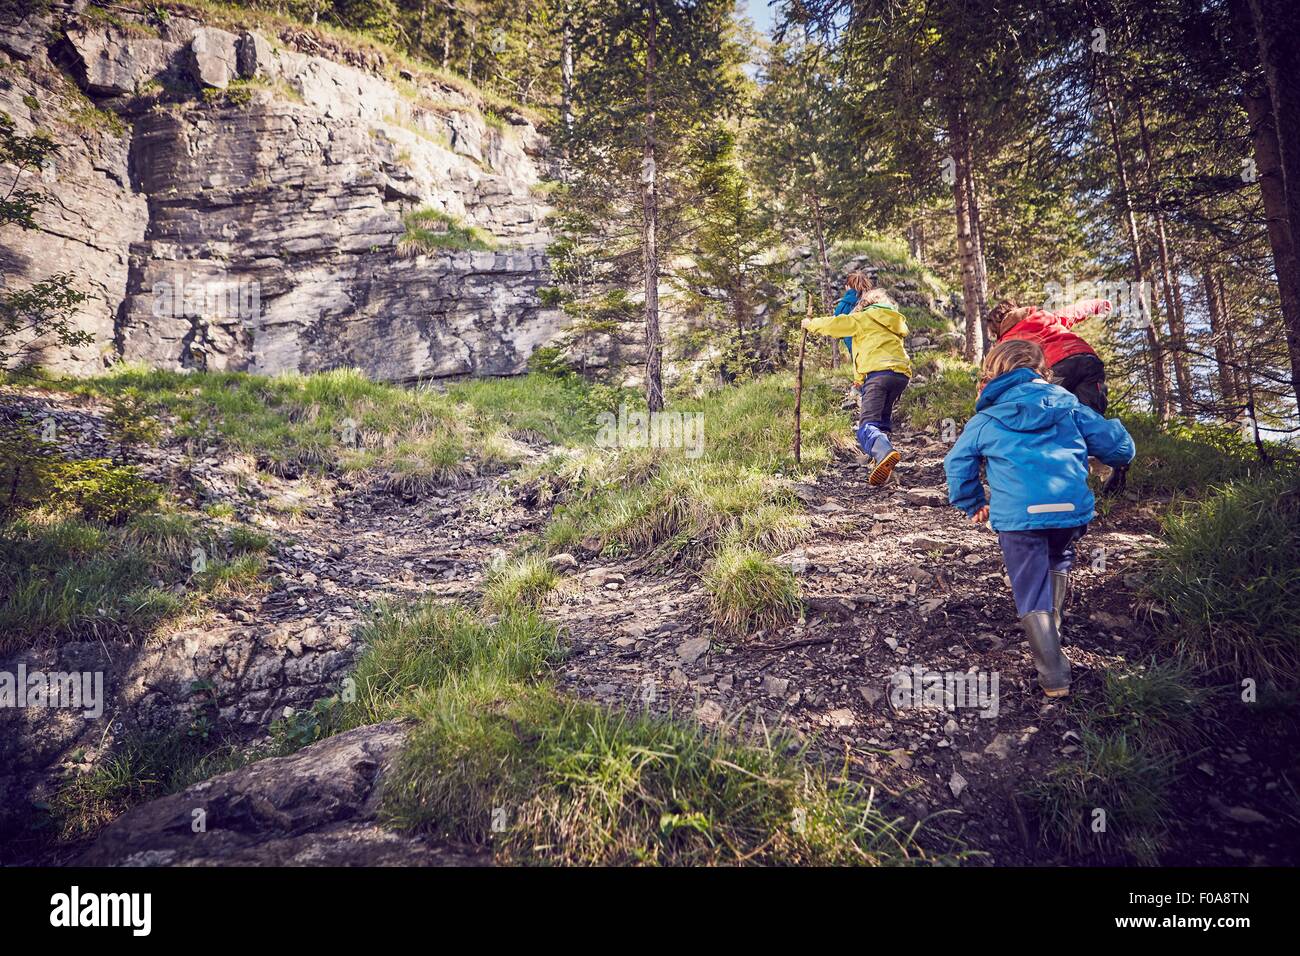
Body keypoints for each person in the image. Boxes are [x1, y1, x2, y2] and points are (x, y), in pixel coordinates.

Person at [943, 339, 1136, 697]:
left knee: (1029, 584)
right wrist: (1120, 434)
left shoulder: (985, 419)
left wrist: (972, 502)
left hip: (1019, 518)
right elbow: (1118, 449)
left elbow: (957, 464)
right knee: (1059, 556)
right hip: (1070, 511)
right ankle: (1054, 628)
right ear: (1042, 371)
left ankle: (1053, 674)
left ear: (994, 373)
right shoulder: (1071, 406)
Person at [986, 296, 1129, 495]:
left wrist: (984, 401)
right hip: (1087, 358)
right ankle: (1116, 455)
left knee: (1049, 417)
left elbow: (992, 375)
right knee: (1090, 418)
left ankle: (1058, 477)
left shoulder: (1006, 342)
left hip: (1056, 368)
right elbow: (1075, 311)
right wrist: (1098, 304)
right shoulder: (1044, 316)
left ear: (997, 326)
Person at [802, 277, 911, 487]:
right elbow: (871, 348)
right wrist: (860, 379)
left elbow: (836, 324)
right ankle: (885, 468)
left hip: (878, 374)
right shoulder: (893, 320)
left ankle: (884, 453)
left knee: (866, 426)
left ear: (864, 304)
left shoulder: (864, 317)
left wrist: (810, 324)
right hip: (900, 375)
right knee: (881, 422)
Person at [832, 272, 874, 408]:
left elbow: (836, 327)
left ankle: (866, 402)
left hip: (854, 345)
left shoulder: (843, 304)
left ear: (848, 286)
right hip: (874, 342)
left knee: (861, 371)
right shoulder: (872, 299)